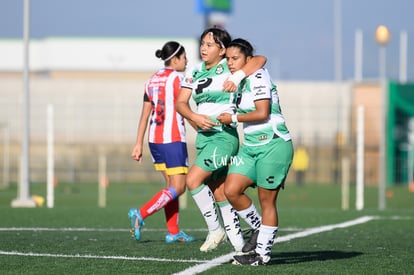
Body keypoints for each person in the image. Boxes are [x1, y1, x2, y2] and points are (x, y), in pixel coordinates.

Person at [175, 28, 267, 253]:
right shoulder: (195, 70)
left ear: (222, 49)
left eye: (210, 44)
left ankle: (216, 229)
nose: (203, 48)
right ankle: (241, 245)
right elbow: (180, 103)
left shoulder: (231, 65)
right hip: (203, 138)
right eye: (202, 43)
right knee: (220, 191)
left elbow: (260, 59)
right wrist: (194, 117)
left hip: (224, 137)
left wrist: (237, 76)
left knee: (193, 180)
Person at [217, 38, 293, 265]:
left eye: (235, 58)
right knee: (231, 190)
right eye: (227, 59)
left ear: (247, 59)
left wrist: (232, 117)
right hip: (250, 147)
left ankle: (262, 255)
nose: (230, 63)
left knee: (266, 201)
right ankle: (260, 229)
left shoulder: (258, 75)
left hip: (273, 143)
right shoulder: (236, 80)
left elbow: (262, 112)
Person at [128, 41, 195, 243]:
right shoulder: (177, 78)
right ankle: (140, 214)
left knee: (171, 187)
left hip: (154, 140)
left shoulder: (151, 80)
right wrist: (203, 130)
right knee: (179, 187)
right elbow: (185, 109)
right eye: (184, 57)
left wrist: (138, 143)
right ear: (174, 59)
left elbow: (144, 114)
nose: (187, 60)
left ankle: (173, 232)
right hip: (173, 139)